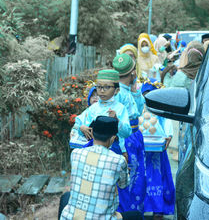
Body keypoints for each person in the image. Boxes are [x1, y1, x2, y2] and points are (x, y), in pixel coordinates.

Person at [59, 116, 143, 220]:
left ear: (92, 133)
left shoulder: (75, 153)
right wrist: (126, 172)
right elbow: (123, 185)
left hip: (70, 217)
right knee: (136, 216)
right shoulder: (118, 160)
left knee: (66, 197)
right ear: (113, 138)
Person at [112, 53, 147, 213]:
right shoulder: (118, 94)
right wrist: (122, 148)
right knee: (128, 180)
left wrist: (135, 91)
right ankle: (126, 213)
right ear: (133, 72)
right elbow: (117, 125)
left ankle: (133, 211)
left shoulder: (128, 90)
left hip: (135, 136)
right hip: (125, 140)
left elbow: (139, 110)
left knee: (138, 178)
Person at [74, 69, 132, 157]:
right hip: (93, 148)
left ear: (116, 90)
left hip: (113, 150)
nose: (102, 90)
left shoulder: (120, 108)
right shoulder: (93, 108)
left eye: (107, 87)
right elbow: (78, 123)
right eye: (99, 87)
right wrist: (82, 128)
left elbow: (127, 132)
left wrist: (117, 120)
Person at [139, 79, 175, 219]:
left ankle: (158, 209)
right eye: (145, 94)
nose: (148, 98)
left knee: (157, 178)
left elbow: (167, 121)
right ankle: (140, 208)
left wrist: (168, 135)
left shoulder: (161, 110)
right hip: (141, 152)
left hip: (157, 153)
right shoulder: (139, 108)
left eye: (151, 94)